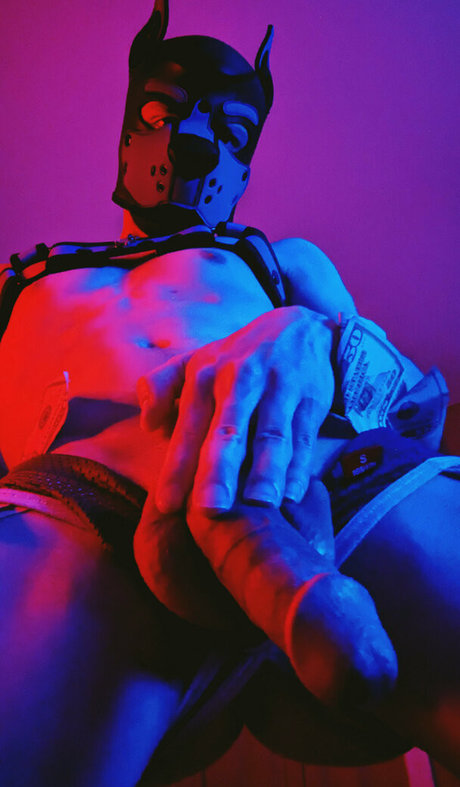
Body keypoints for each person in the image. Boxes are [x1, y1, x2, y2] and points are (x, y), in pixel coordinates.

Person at [0, 1, 459, 784]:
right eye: (162, 111)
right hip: (80, 501)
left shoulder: (283, 260)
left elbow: (410, 404)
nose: (193, 139)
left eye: (233, 131)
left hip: (323, 478)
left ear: (245, 167)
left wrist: (314, 338)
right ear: (127, 130)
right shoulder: (19, 279)